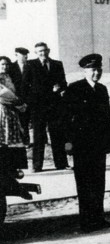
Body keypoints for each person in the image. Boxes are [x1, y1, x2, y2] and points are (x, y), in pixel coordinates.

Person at [62, 54, 110, 232]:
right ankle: (86, 221)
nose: (96, 73)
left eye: (99, 69)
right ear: (85, 71)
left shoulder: (102, 90)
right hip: (82, 146)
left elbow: (107, 119)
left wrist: (109, 142)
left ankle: (99, 217)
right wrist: (68, 143)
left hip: (98, 145)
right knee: (84, 183)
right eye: (92, 70)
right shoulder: (74, 89)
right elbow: (66, 118)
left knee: (99, 182)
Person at [22, 41, 68, 172]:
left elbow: (64, 82)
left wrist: (60, 87)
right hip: (38, 107)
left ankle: (61, 163)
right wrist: (31, 103)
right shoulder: (31, 65)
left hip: (54, 106)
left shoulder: (57, 64)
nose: (42, 53)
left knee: (57, 135)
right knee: (38, 137)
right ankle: (37, 166)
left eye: (44, 50)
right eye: (39, 51)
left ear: (48, 50)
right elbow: (24, 86)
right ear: (36, 53)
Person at [0, 56, 28, 148]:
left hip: (12, 109)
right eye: (3, 64)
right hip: (2, 108)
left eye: (7, 64)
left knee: (10, 138)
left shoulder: (9, 77)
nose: (5, 66)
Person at [8, 47, 31, 140]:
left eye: (26, 54)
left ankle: (27, 140)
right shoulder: (11, 67)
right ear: (16, 55)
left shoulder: (30, 66)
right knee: (18, 121)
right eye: (23, 54)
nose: (26, 56)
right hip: (15, 99)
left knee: (27, 121)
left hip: (28, 99)